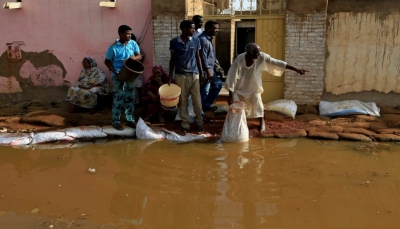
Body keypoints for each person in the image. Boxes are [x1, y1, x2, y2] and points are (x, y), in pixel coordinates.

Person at [225, 43, 308, 131]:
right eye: (256, 54)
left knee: (258, 103)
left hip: (254, 88)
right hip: (239, 89)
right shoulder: (238, 61)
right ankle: (239, 125)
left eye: (259, 53)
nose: (259, 55)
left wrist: (296, 70)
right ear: (249, 54)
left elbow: (277, 63)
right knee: (237, 106)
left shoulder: (261, 57)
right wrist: (230, 95)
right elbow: (231, 78)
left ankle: (262, 122)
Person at [169, 20, 204, 135]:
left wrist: (201, 73)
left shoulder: (196, 40)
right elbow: (172, 59)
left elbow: (198, 57)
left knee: (197, 101)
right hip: (180, 75)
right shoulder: (174, 42)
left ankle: (200, 123)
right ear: (184, 29)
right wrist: (170, 76)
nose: (194, 30)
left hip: (194, 75)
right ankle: (185, 124)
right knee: (183, 101)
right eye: (191, 28)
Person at [105, 25, 142, 130]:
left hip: (130, 75)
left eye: (130, 33)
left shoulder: (133, 43)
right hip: (118, 75)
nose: (129, 35)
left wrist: (134, 57)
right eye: (127, 33)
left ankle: (129, 120)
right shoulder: (113, 47)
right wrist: (115, 73)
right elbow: (107, 61)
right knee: (118, 98)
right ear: (120, 34)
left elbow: (139, 55)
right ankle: (116, 121)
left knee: (129, 98)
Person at [198, 20, 222, 121]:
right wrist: (208, 72)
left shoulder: (209, 39)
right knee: (205, 92)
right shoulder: (203, 40)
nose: (217, 30)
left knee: (214, 87)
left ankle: (204, 110)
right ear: (208, 29)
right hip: (204, 72)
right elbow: (202, 58)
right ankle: (202, 114)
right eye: (215, 28)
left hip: (210, 70)